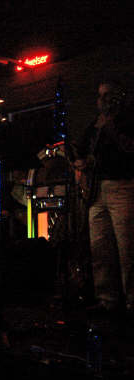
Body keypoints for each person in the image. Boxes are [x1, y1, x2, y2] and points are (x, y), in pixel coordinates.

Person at [72, 79, 134, 316]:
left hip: (121, 185)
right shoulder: (94, 124)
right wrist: (80, 163)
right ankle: (106, 299)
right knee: (100, 247)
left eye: (106, 95)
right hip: (97, 190)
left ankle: (131, 302)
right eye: (100, 95)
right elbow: (83, 151)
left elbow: (129, 149)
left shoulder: (127, 120)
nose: (102, 100)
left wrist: (111, 127)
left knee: (127, 248)